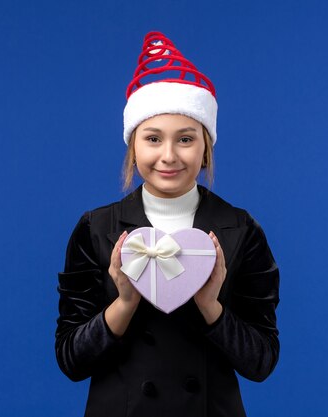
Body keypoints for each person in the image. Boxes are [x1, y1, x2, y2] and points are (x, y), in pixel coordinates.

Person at [55, 31, 280, 417]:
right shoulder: (96, 228)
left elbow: (261, 362)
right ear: (134, 146)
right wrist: (124, 302)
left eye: (186, 139)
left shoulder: (240, 229)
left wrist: (210, 304)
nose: (169, 155)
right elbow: (71, 359)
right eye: (153, 138)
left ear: (206, 147)